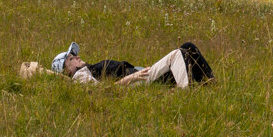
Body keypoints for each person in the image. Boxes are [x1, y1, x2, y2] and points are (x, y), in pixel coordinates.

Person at [51, 41, 214, 88]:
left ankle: (210, 84)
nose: (76, 56)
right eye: (70, 58)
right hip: (137, 80)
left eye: (74, 54)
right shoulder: (79, 77)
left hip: (139, 74)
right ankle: (184, 93)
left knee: (188, 48)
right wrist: (133, 76)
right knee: (179, 54)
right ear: (66, 71)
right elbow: (106, 92)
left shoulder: (86, 70)